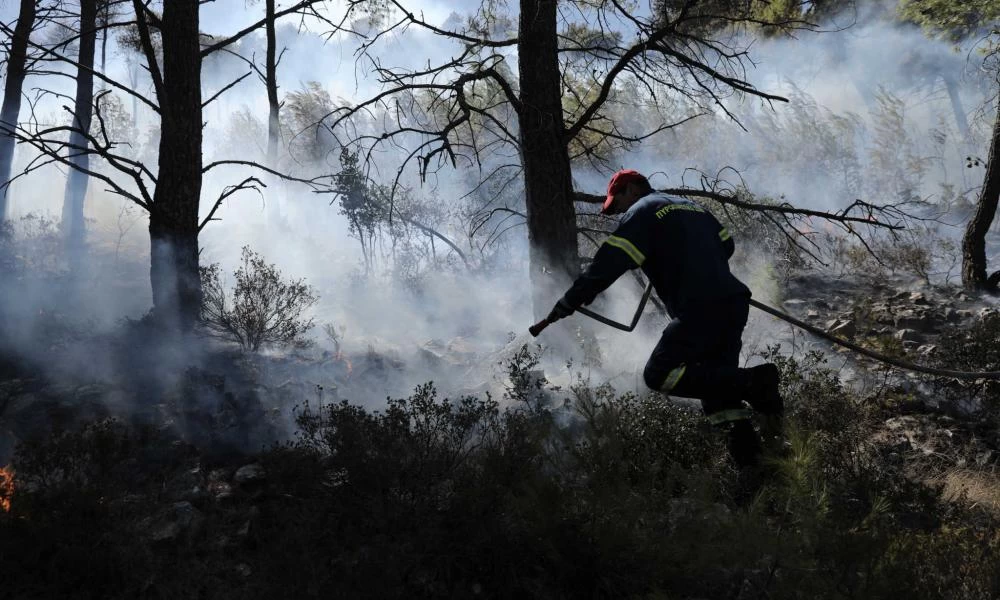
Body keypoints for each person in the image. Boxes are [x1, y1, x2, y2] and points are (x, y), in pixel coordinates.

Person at [545, 169, 783, 467]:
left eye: (617, 203)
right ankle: (754, 471)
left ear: (631, 189)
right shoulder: (693, 207)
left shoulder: (641, 211)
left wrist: (571, 299)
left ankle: (754, 379)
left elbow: (607, 263)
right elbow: (727, 245)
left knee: (659, 374)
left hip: (699, 308)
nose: (618, 210)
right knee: (720, 393)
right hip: (733, 304)